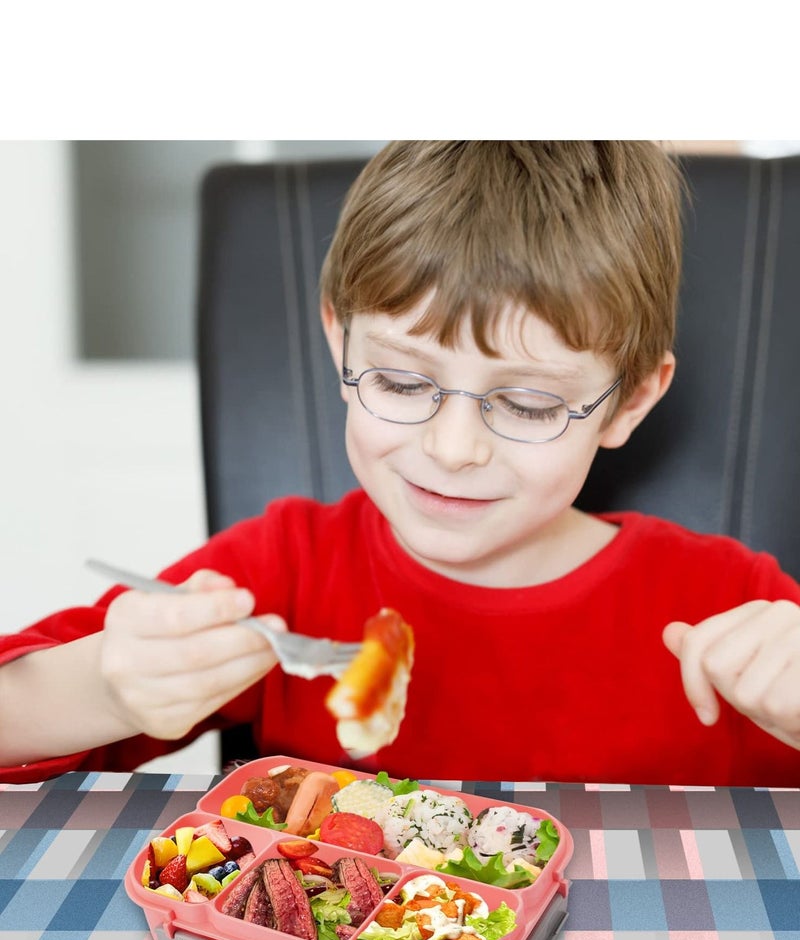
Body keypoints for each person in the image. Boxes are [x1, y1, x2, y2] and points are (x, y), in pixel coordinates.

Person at [2, 140, 800, 788]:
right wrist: (107, 685)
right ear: (338, 341)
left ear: (629, 402)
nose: (453, 449)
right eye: (400, 380)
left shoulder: (729, 606)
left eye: (527, 404)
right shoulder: (282, 576)